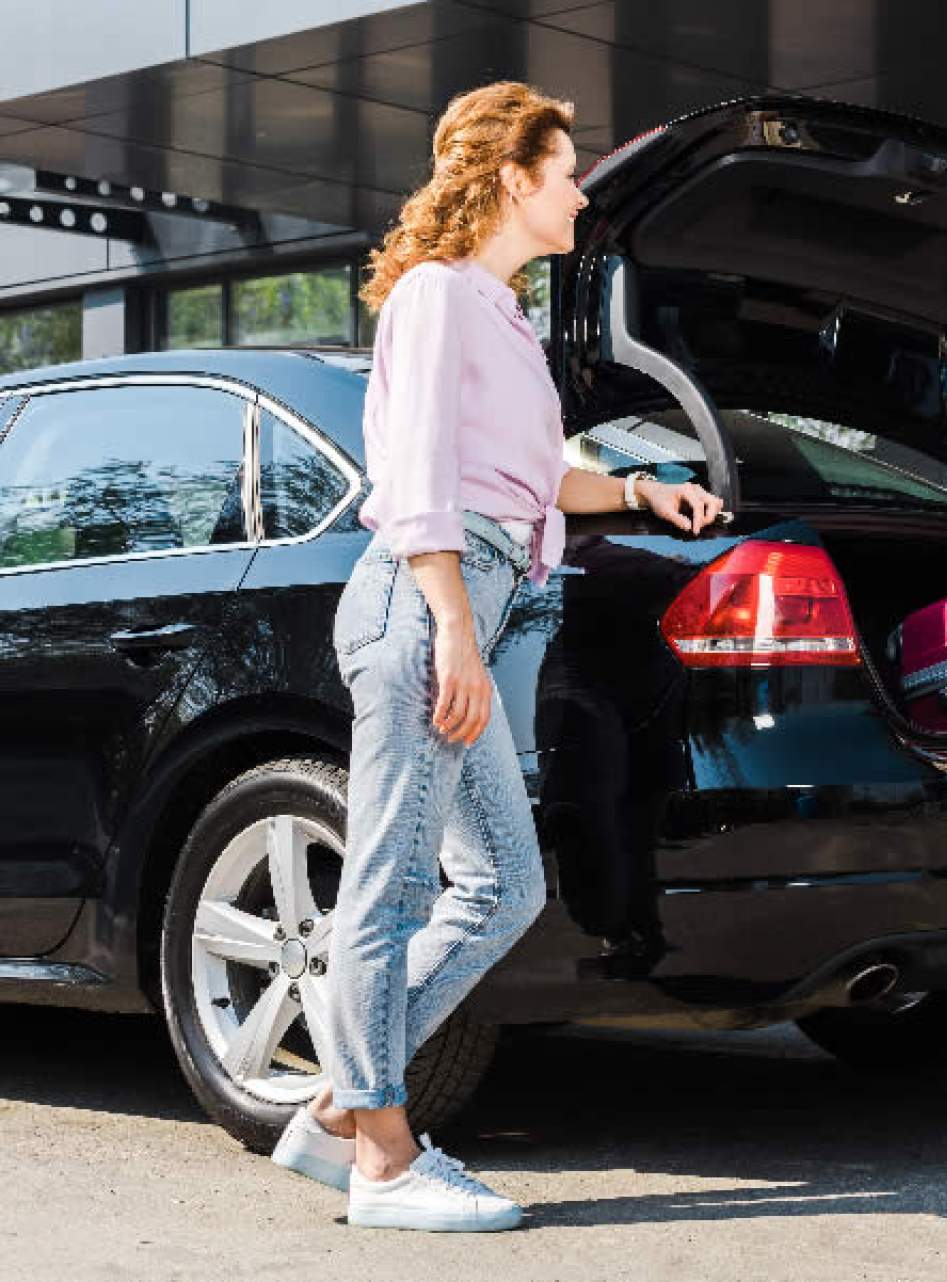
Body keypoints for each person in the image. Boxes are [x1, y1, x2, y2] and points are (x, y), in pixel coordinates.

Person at [268, 81, 725, 1231]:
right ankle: (384, 1158)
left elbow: (531, 476)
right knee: (390, 882)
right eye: (565, 173)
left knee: (503, 885)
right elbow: (419, 472)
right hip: (427, 599)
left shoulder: (499, 313)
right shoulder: (435, 294)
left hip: (476, 593)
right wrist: (455, 632)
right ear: (514, 179)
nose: (580, 194)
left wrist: (640, 490)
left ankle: (336, 1104)